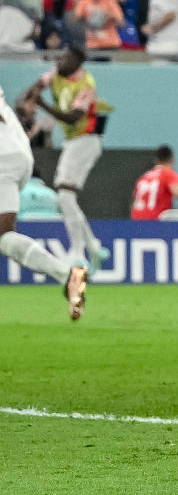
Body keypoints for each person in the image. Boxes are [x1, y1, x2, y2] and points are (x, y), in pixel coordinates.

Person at [0, 86, 88, 320]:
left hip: (3, 157)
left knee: (3, 235)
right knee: (4, 235)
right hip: (18, 153)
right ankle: (67, 277)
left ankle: (65, 275)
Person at [24, 46, 111, 272]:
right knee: (66, 197)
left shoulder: (86, 85)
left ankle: (77, 250)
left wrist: (42, 104)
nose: (60, 61)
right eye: (60, 57)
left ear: (77, 62)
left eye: (66, 58)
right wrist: (29, 97)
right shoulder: (56, 73)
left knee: (64, 193)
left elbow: (73, 118)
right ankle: (93, 247)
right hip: (74, 141)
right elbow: (37, 86)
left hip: (86, 139)